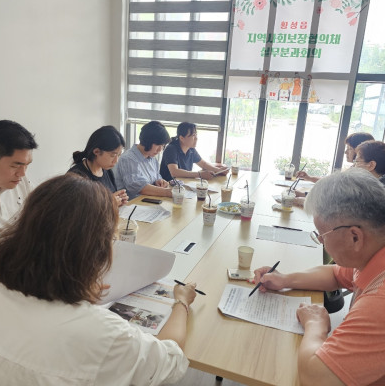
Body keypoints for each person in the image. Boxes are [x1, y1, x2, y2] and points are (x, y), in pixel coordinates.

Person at [0, 174, 197, 385]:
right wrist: (181, 301)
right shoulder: (105, 334)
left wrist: (77, 290)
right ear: (96, 248)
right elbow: (171, 361)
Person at [253, 168, 385, 385]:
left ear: (354, 237)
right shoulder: (372, 252)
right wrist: (285, 279)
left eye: (322, 235)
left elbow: (315, 378)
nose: (321, 242)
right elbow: (335, 273)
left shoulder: (379, 302)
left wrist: (315, 324)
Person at [0, 119, 37, 274]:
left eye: (27, 165)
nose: (22, 174)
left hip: (21, 272)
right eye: (15, 165)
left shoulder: (21, 182)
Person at [68, 125, 128, 206]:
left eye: (119, 155)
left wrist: (119, 200)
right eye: (113, 155)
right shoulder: (76, 176)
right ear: (96, 151)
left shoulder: (107, 171)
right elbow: (77, 210)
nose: (116, 161)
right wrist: (110, 203)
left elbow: (110, 200)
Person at [114, 121, 172, 200]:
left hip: (150, 201)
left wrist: (160, 181)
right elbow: (139, 188)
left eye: (163, 145)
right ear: (147, 141)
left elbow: (157, 177)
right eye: (158, 145)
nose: (160, 150)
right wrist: (167, 192)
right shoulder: (128, 159)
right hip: (132, 204)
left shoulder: (153, 159)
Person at [160, 122, 229, 181]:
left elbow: (203, 164)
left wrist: (218, 170)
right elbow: (174, 172)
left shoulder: (191, 149)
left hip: (184, 183)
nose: (196, 138)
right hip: (169, 186)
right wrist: (199, 174)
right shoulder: (171, 149)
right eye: (193, 135)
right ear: (181, 138)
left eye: (196, 134)